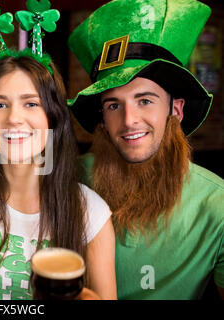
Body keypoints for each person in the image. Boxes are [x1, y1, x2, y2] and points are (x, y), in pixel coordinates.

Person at [68, 0, 223, 299]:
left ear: (175, 110)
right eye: (113, 105)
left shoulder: (218, 206)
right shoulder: (69, 178)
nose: (128, 121)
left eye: (145, 100)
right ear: (102, 118)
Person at [0, 52, 116, 299]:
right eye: (0, 104)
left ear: (53, 116)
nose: (14, 119)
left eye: (31, 103)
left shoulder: (91, 213)